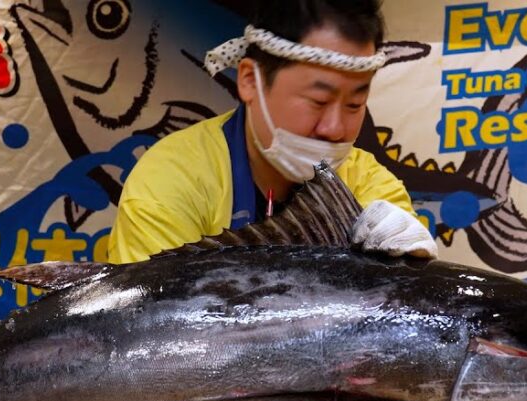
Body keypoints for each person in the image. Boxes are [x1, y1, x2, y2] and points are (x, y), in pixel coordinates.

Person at [107, 0, 435, 264]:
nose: (335, 129)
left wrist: (407, 263)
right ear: (250, 81)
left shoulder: (370, 187)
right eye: (318, 101)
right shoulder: (169, 182)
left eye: (354, 105)